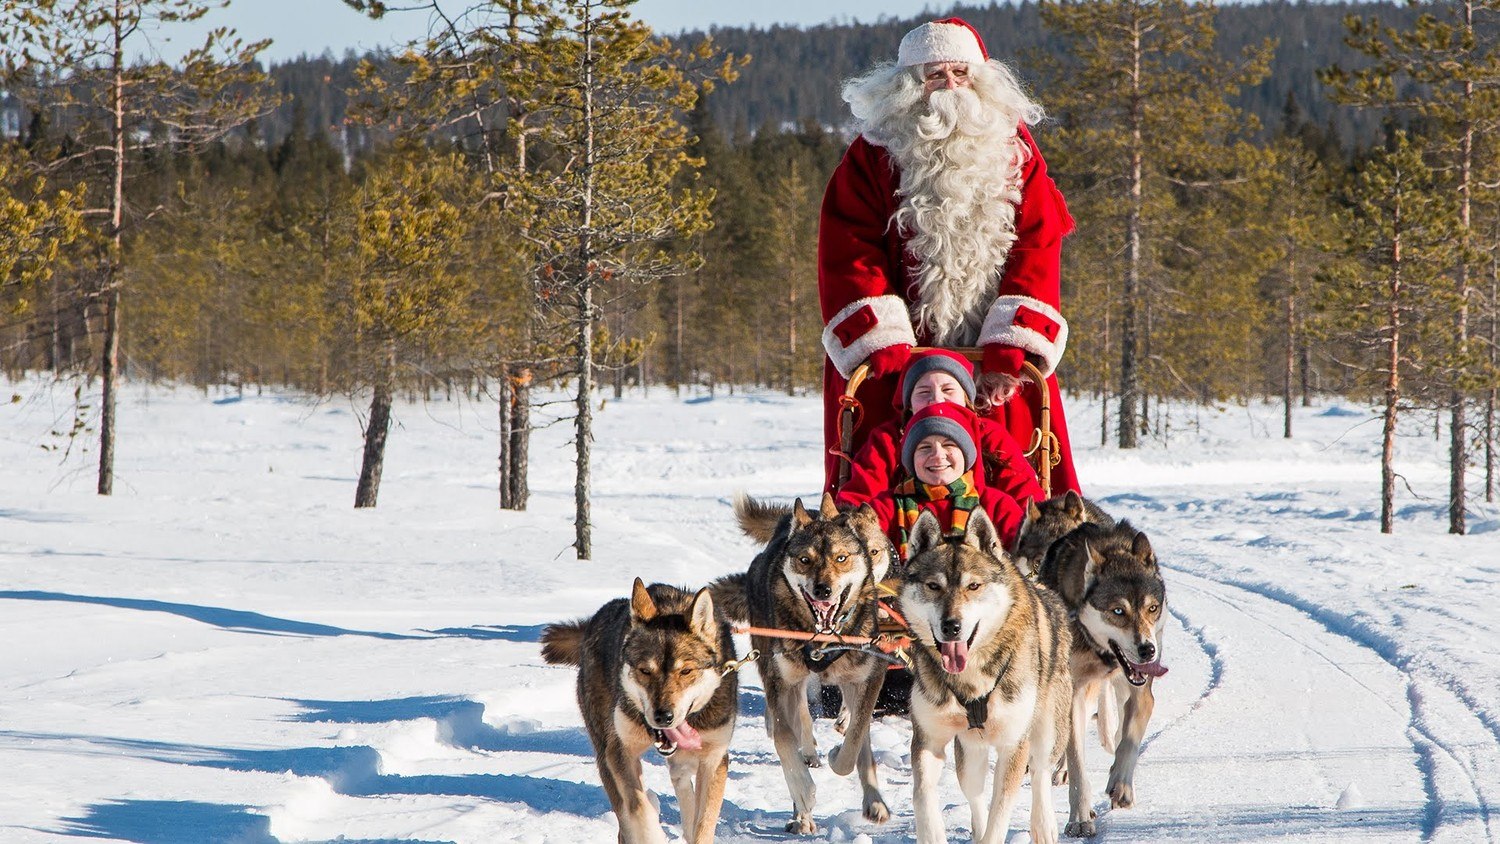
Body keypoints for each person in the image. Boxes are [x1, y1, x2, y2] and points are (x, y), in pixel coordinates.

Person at [818, 16, 1081, 497]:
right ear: (906, 87)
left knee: (1014, 475)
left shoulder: (1017, 156)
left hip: (992, 358)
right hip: (898, 361)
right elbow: (849, 251)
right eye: (935, 75)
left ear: (982, 81)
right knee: (881, 474)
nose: (950, 87)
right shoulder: (870, 156)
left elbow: (1038, 247)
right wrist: (882, 344)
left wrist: (1011, 345)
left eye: (961, 74)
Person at [836, 349, 1043, 518]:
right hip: (904, 528)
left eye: (948, 390)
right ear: (908, 405)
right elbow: (861, 496)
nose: (936, 400)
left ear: (966, 399)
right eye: (924, 392)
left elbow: (1024, 494)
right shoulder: (888, 438)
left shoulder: (989, 435)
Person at [856, 402, 1026, 560]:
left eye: (949, 445)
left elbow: (1028, 554)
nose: (938, 455)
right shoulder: (888, 506)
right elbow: (856, 542)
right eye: (925, 447)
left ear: (965, 455)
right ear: (911, 459)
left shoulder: (996, 505)